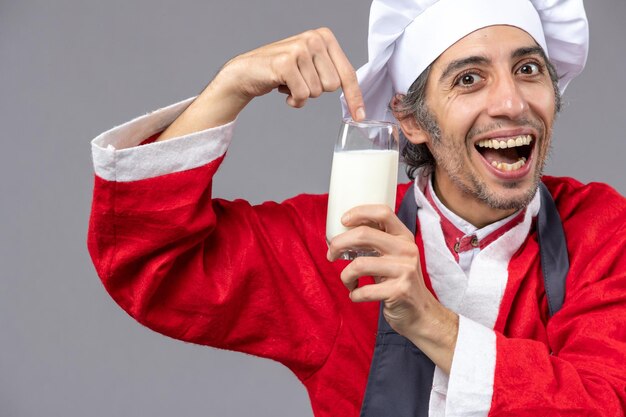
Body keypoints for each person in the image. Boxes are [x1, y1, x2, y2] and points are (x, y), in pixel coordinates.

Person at [88, 0, 626, 416]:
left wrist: (432, 323)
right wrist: (231, 86)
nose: (511, 102)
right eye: (469, 78)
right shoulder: (344, 241)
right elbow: (150, 257)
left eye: (529, 70)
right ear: (411, 120)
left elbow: (607, 401)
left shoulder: (602, 231)